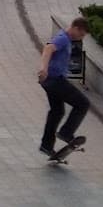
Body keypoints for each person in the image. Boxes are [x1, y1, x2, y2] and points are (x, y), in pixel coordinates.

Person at [37, 17, 90, 159]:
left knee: (57, 111)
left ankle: (46, 145)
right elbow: (48, 48)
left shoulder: (65, 38)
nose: (81, 38)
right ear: (76, 28)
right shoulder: (63, 38)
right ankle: (66, 132)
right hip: (54, 80)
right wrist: (43, 68)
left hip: (50, 81)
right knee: (83, 104)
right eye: (82, 34)